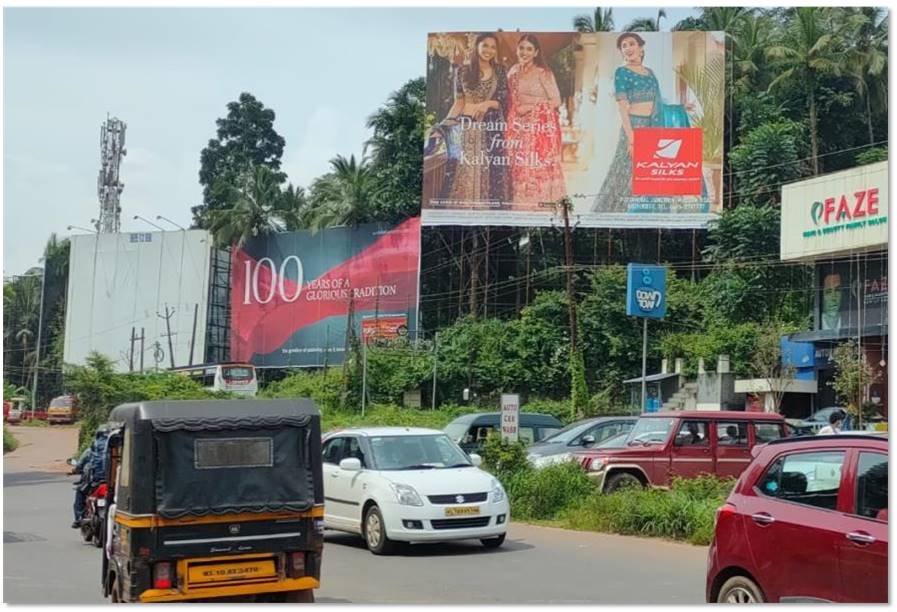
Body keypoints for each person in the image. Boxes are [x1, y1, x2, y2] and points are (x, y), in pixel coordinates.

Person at [593, 33, 663, 213]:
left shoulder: (651, 73)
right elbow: (622, 108)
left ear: (641, 48)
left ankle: (640, 214)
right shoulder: (621, 72)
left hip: (651, 127)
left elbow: (659, 102)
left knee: (647, 171)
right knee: (624, 171)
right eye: (624, 46)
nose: (628, 48)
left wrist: (680, 107)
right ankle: (611, 213)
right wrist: (631, 139)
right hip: (633, 126)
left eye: (632, 44)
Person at [440, 33, 510, 205]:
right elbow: (459, 102)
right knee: (462, 171)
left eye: (493, 47)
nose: (489, 50)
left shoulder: (500, 71)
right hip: (465, 128)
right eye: (485, 45)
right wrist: (444, 125)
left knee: (487, 170)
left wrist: (486, 104)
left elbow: (504, 100)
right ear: (477, 46)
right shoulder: (462, 71)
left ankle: (484, 211)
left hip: (489, 129)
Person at [505, 34, 566, 207]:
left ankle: (539, 204)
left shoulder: (543, 73)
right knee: (519, 167)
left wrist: (530, 107)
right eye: (521, 48)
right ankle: (521, 204)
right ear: (517, 49)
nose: (524, 52)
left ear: (536, 53)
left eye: (529, 49)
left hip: (539, 130)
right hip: (518, 128)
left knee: (537, 167)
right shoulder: (513, 72)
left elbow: (556, 101)